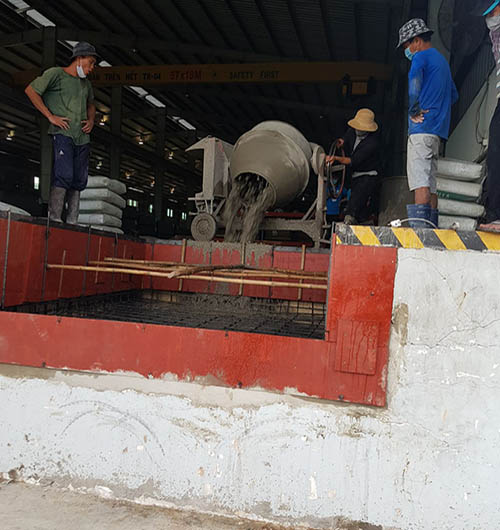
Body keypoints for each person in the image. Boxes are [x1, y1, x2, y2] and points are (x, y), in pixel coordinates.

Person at [25, 42, 97, 223]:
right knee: (64, 174)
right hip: (63, 132)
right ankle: (55, 217)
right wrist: (50, 116)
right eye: (90, 63)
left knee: (79, 179)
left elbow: (91, 104)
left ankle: (73, 220)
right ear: (79, 59)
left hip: (82, 136)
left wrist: (91, 121)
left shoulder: (86, 84)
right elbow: (31, 90)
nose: (91, 68)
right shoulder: (56, 74)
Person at [397, 19, 458, 228]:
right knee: (431, 186)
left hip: (421, 131)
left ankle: (420, 236)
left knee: (420, 183)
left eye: (406, 46)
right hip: (437, 133)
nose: (407, 51)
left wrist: (414, 110)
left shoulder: (420, 57)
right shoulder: (442, 62)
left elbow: (414, 82)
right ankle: (431, 231)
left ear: (416, 41)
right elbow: (454, 95)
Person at [327, 108, 381, 225]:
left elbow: (353, 161)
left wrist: (335, 158)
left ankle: (351, 218)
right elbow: (345, 139)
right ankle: (361, 220)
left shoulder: (372, 143)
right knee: (356, 200)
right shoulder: (352, 131)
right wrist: (341, 142)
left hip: (368, 175)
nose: (358, 129)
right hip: (354, 175)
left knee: (356, 199)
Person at [474, 1, 500, 230]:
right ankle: (495, 215)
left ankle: (496, 215)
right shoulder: (496, 36)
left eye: (493, 11)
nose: (490, 17)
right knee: (495, 155)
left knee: (496, 154)